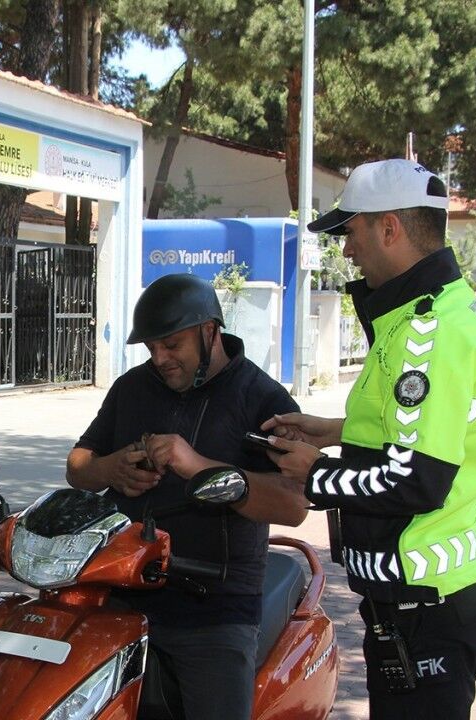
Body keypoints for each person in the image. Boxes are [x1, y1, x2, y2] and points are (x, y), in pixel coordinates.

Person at [263, 159, 476, 720]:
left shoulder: (428, 330)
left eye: (351, 232)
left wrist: (314, 473)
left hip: (427, 600)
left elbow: (417, 479)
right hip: (439, 594)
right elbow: (425, 429)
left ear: (390, 228)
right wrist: (335, 431)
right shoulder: (439, 309)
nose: (348, 250)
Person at [65, 273, 308, 720]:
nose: (160, 359)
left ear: (209, 331)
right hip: (124, 594)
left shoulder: (261, 398)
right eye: (151, 348)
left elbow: (294, 506)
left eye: (172, 345)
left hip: (215, 609)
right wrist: (109, 468)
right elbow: (78, 466)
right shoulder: (132, 387)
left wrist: (195, 464)